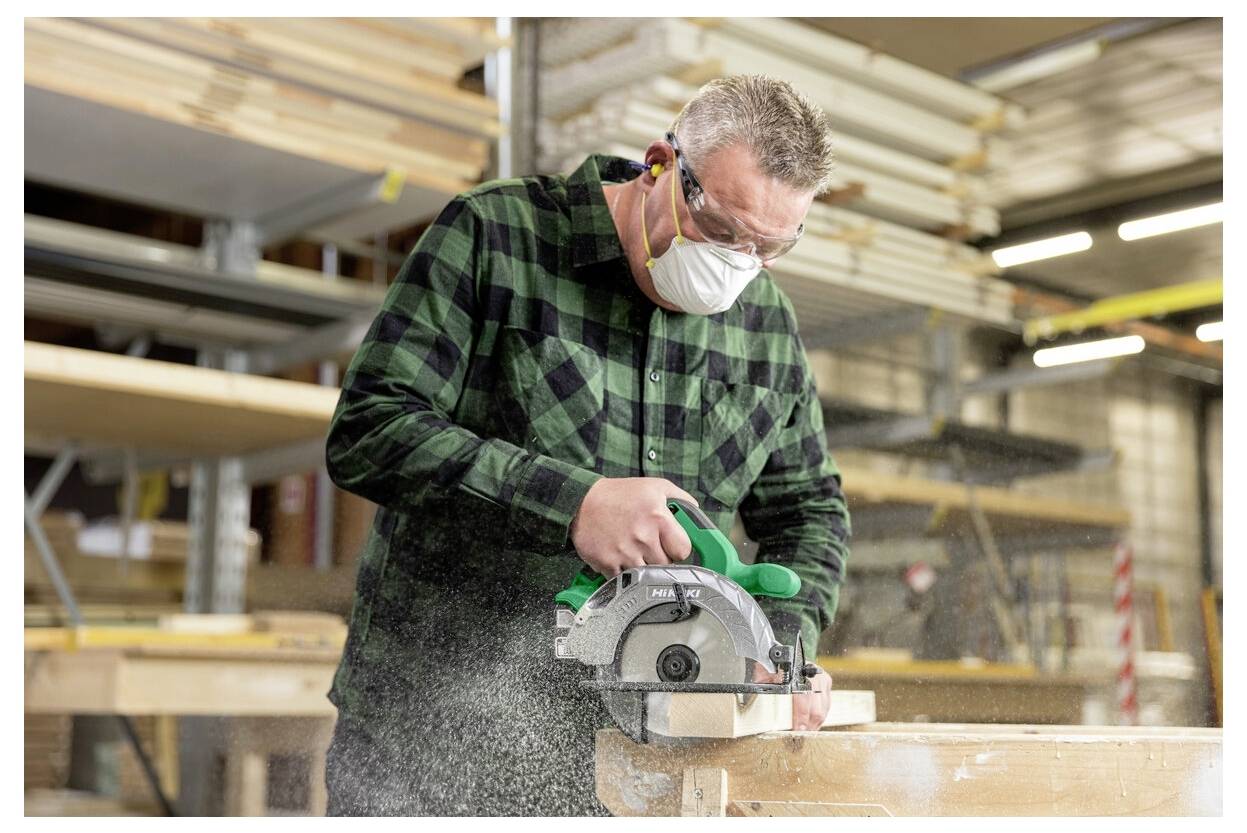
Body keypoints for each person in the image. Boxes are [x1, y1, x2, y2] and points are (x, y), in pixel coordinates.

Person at [322, 74, 851, 816]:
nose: (738, 264)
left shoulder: (765, 323)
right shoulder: (496, 235)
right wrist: (571, 504)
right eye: (721, 229)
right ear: (660, 166)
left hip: (649, 749)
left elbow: (808, 509)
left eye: (769, 247)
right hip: (429, 734)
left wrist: (779, 649)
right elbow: (369, 429)